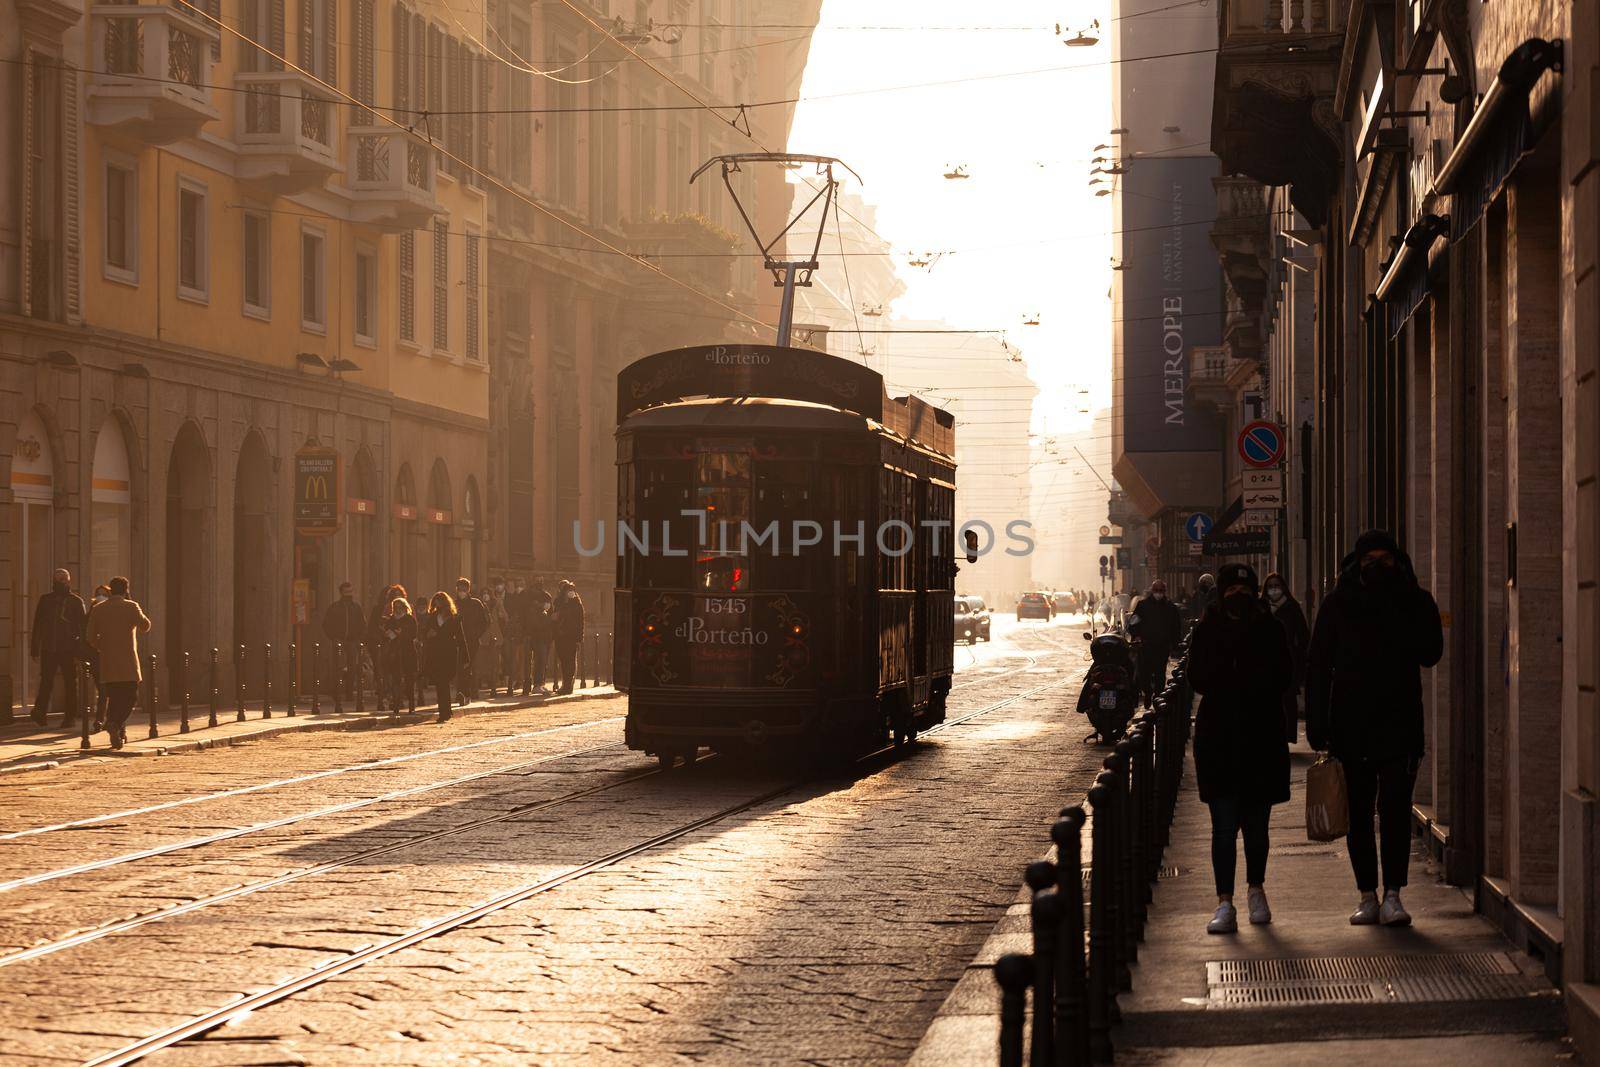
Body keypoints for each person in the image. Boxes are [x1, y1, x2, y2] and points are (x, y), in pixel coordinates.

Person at [1307, 530, 1443, 928]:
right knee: (1361, 813)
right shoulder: (1338, 606)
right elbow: (1318, 667)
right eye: (1371, 561)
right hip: (1350, 726)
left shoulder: (1412, 601)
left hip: (1400, 724)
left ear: (1397, 563)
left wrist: (1415, 601)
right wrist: (1318, 727)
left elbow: (1431, 652)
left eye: (1386, 560)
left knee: (1396, 811)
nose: (1378, 568)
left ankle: (1394, 894)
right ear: (1358, 564)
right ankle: (1367, 893)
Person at [1187, 562, 1293, 934]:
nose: (1239, 596)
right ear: (1222, 593)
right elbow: (1196, 678)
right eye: (1232, 589)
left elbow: (1284, 677)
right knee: (1223, 827)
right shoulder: (1206, 630)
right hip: (1219, 739)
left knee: (1257, 828)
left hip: (1261, 738)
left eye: (1245, 590)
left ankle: (1256, 891)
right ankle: (1224, 903)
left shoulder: (1271, 629)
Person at [83, 576, 151, 750]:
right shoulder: (131, 606)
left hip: (108, 660)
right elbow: (145, 626)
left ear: (111, 590)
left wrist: (102, 647)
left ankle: (118, 732)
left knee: (113, 697)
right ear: (126, 589)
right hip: (128, 660)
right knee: (130, 697)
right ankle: (114, 723)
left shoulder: (99, 609)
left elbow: (89, 636)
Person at [30, 568, 87, 728]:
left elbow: (82, 627)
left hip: (69, 648)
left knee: (70, 683)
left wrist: (80, 651)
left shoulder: (76, 601)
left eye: (63, 579)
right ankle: (40, 713)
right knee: (46, 682)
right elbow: (38, 624)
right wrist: (35, 648)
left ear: (68, 580)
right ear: (53, 580)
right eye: (58, 578)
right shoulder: (46, 600)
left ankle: (69, 717)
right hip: (49, 647)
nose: (60, 581)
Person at [1261, 572, 1311, 742]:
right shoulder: (1261, 608)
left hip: (1288, 660)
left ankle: (1287, 734)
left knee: (1287, 699)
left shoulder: (1292, 607)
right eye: (1270, 586)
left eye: (1277, 586)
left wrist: (1297, 652)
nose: (1274, 590)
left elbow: (1303, 635)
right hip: (1265, 661)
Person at [1128, 578, 1182, 707]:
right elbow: (1134, 622)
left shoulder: (1170, 607)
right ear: (1152, 591)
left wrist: (1175, 645)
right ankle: (1147, 692)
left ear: (1165, 591)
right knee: (1144, 673)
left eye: (1161, 590)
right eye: (1156, 590)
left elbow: (1176, 627)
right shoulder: (1142, 605)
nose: (1159, 593)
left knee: (1160, 673)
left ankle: (1158, 697)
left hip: (1162, 647)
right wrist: (1136, 636)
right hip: (1145, 646)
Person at [421, 592, 470, 722]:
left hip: (449, 653)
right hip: (435, 654)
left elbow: (461, 638)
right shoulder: (432, 617)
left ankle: (446, 711)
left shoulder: (454, 618)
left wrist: (465, 658)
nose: (438, 603)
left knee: (444, 682)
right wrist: (428, 635)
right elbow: (424, 633)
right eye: (436, 601)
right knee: (440, 683)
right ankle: (445, 712)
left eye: (440, 601)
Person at [321, 582, 366, 698]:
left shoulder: (356, 607)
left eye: (350, 592)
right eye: (346, 592)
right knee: (338, 667)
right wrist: (333, 638)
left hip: (352, 641)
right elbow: (326, 624)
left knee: (352, 668)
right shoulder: (335, 607)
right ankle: (336, 692)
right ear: (341, 593)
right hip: (339, 640)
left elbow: (363, 624)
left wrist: (358, 639)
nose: (349, 594)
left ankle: (349, 693)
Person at [376, 596, 418, 714]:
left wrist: (402, 633)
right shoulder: (390, 620)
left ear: (405, 608)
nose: (398, 610)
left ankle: (411, 705)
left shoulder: (410, 619)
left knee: (409, 679)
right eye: (396, 607)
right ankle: (396, 704)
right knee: (395, 680)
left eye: (400, 607)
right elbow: (385, 636)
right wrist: (385, 634)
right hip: (394, 653)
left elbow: (414, 634)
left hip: (408, 652)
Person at [368, 584, 407, 705]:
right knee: (387, 670)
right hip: (387, 644)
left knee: (401, 671)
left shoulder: (408, 609)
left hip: (402, 644)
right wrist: (384, 634)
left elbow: (412, 625)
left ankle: (399, 695)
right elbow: (379, 625)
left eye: (399, 597)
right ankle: (388, 693)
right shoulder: (385, 609)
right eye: (394, 597)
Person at [454, 577, 487, 704]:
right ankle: (460, 693)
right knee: (459, 668)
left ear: (468, 590)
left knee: (469, 667)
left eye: (464, 589)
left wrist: (476, 635)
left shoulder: (476, 604)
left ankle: (468, 693)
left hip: (472, 641)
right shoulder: (454, 604)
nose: (461, 592)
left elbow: (485, 622)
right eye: (459, 589)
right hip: (457, 641)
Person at [552, 579, 585, 695]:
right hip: (560, 636)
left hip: (571, 636)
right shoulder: (558, 602)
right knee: (563, 660)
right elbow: (554, 618)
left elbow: (581, 622)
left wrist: (579, 639)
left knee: (570, 661)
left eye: (572, 590)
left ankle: (567, 686)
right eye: (568, 590)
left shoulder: (576, 603)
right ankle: (565, 685)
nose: (570, 592)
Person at [527, 581, 554, 695]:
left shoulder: (546, 612)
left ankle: (541, 683)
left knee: (543, 662)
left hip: (546, 640)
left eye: (549, 602)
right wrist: (549, 619)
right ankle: (537, 684)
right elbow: (537, 626)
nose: (548, 604)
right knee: (540, 661)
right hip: (539, 640)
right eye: (546, 602)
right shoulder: (537, 612)